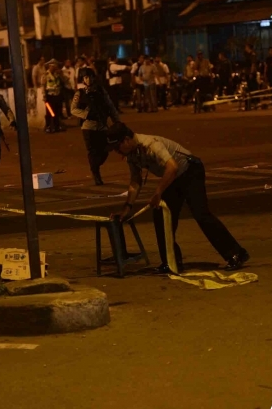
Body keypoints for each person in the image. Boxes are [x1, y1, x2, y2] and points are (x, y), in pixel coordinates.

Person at [106, 122, 250, 273]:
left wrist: (158, 193)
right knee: (161, 216)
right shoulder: (132, 155)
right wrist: (126, 208)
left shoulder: (151, 144)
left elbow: (172, 167)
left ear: (127, 139)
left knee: (201, 213)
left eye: (117, 147)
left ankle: (236, 253)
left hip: (190, 171)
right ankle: (171, 261)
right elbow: (135, 181)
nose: (117, 152)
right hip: (173, 178)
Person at [71, 68, 119, 186]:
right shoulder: (80, 93)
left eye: (90, 76)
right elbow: (73, 109)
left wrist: (117, 121)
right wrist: (86, 114)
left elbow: (110, 106)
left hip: (102, 126)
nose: (88, 79)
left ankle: (95, 166)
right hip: (88, 127)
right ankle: (96, 174)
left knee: (105, 151)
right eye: (85, 77)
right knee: (92, 152)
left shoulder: (101, 91)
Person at [43, 60, 64, 133]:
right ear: (49, 66)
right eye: (52, 66)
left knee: (57, 111)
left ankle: (56, 126)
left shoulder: (57, 74)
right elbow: (43, 86)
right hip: (49, 95)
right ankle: (48, 126)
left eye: (55, 66)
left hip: (57, 95)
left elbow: (62, 81)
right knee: (49, 112)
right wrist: (44, 95)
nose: (54, 68)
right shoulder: (46, 75)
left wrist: (61, 74)